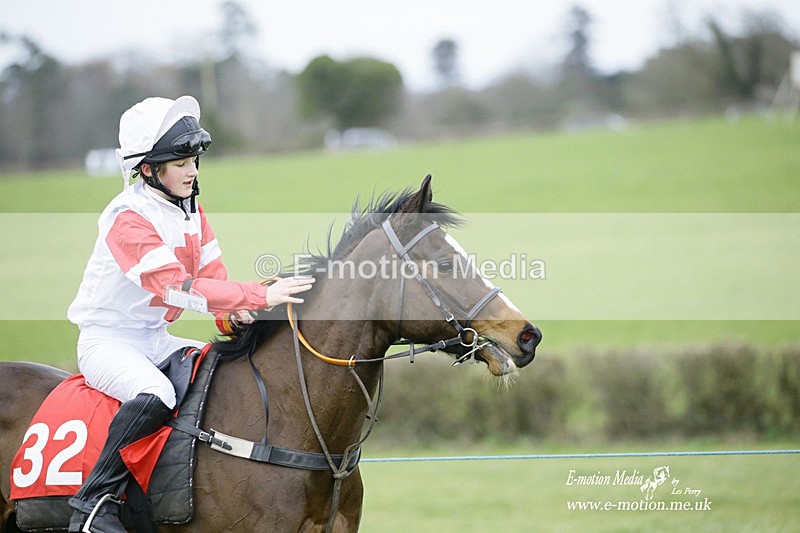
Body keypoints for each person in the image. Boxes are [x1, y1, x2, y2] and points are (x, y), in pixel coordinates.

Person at [66, 95, 313, 533]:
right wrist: (258, 294)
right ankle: (92, 504)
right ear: (148, 169)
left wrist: (233, 316)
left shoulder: (191, 210)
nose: (193, 170)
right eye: (181, 162)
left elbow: (213, 276)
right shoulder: (126, 216)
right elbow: (175, 288)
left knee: (224, 372)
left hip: (156, 337)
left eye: (194, 160)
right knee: (156, 394)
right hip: (108, 340)